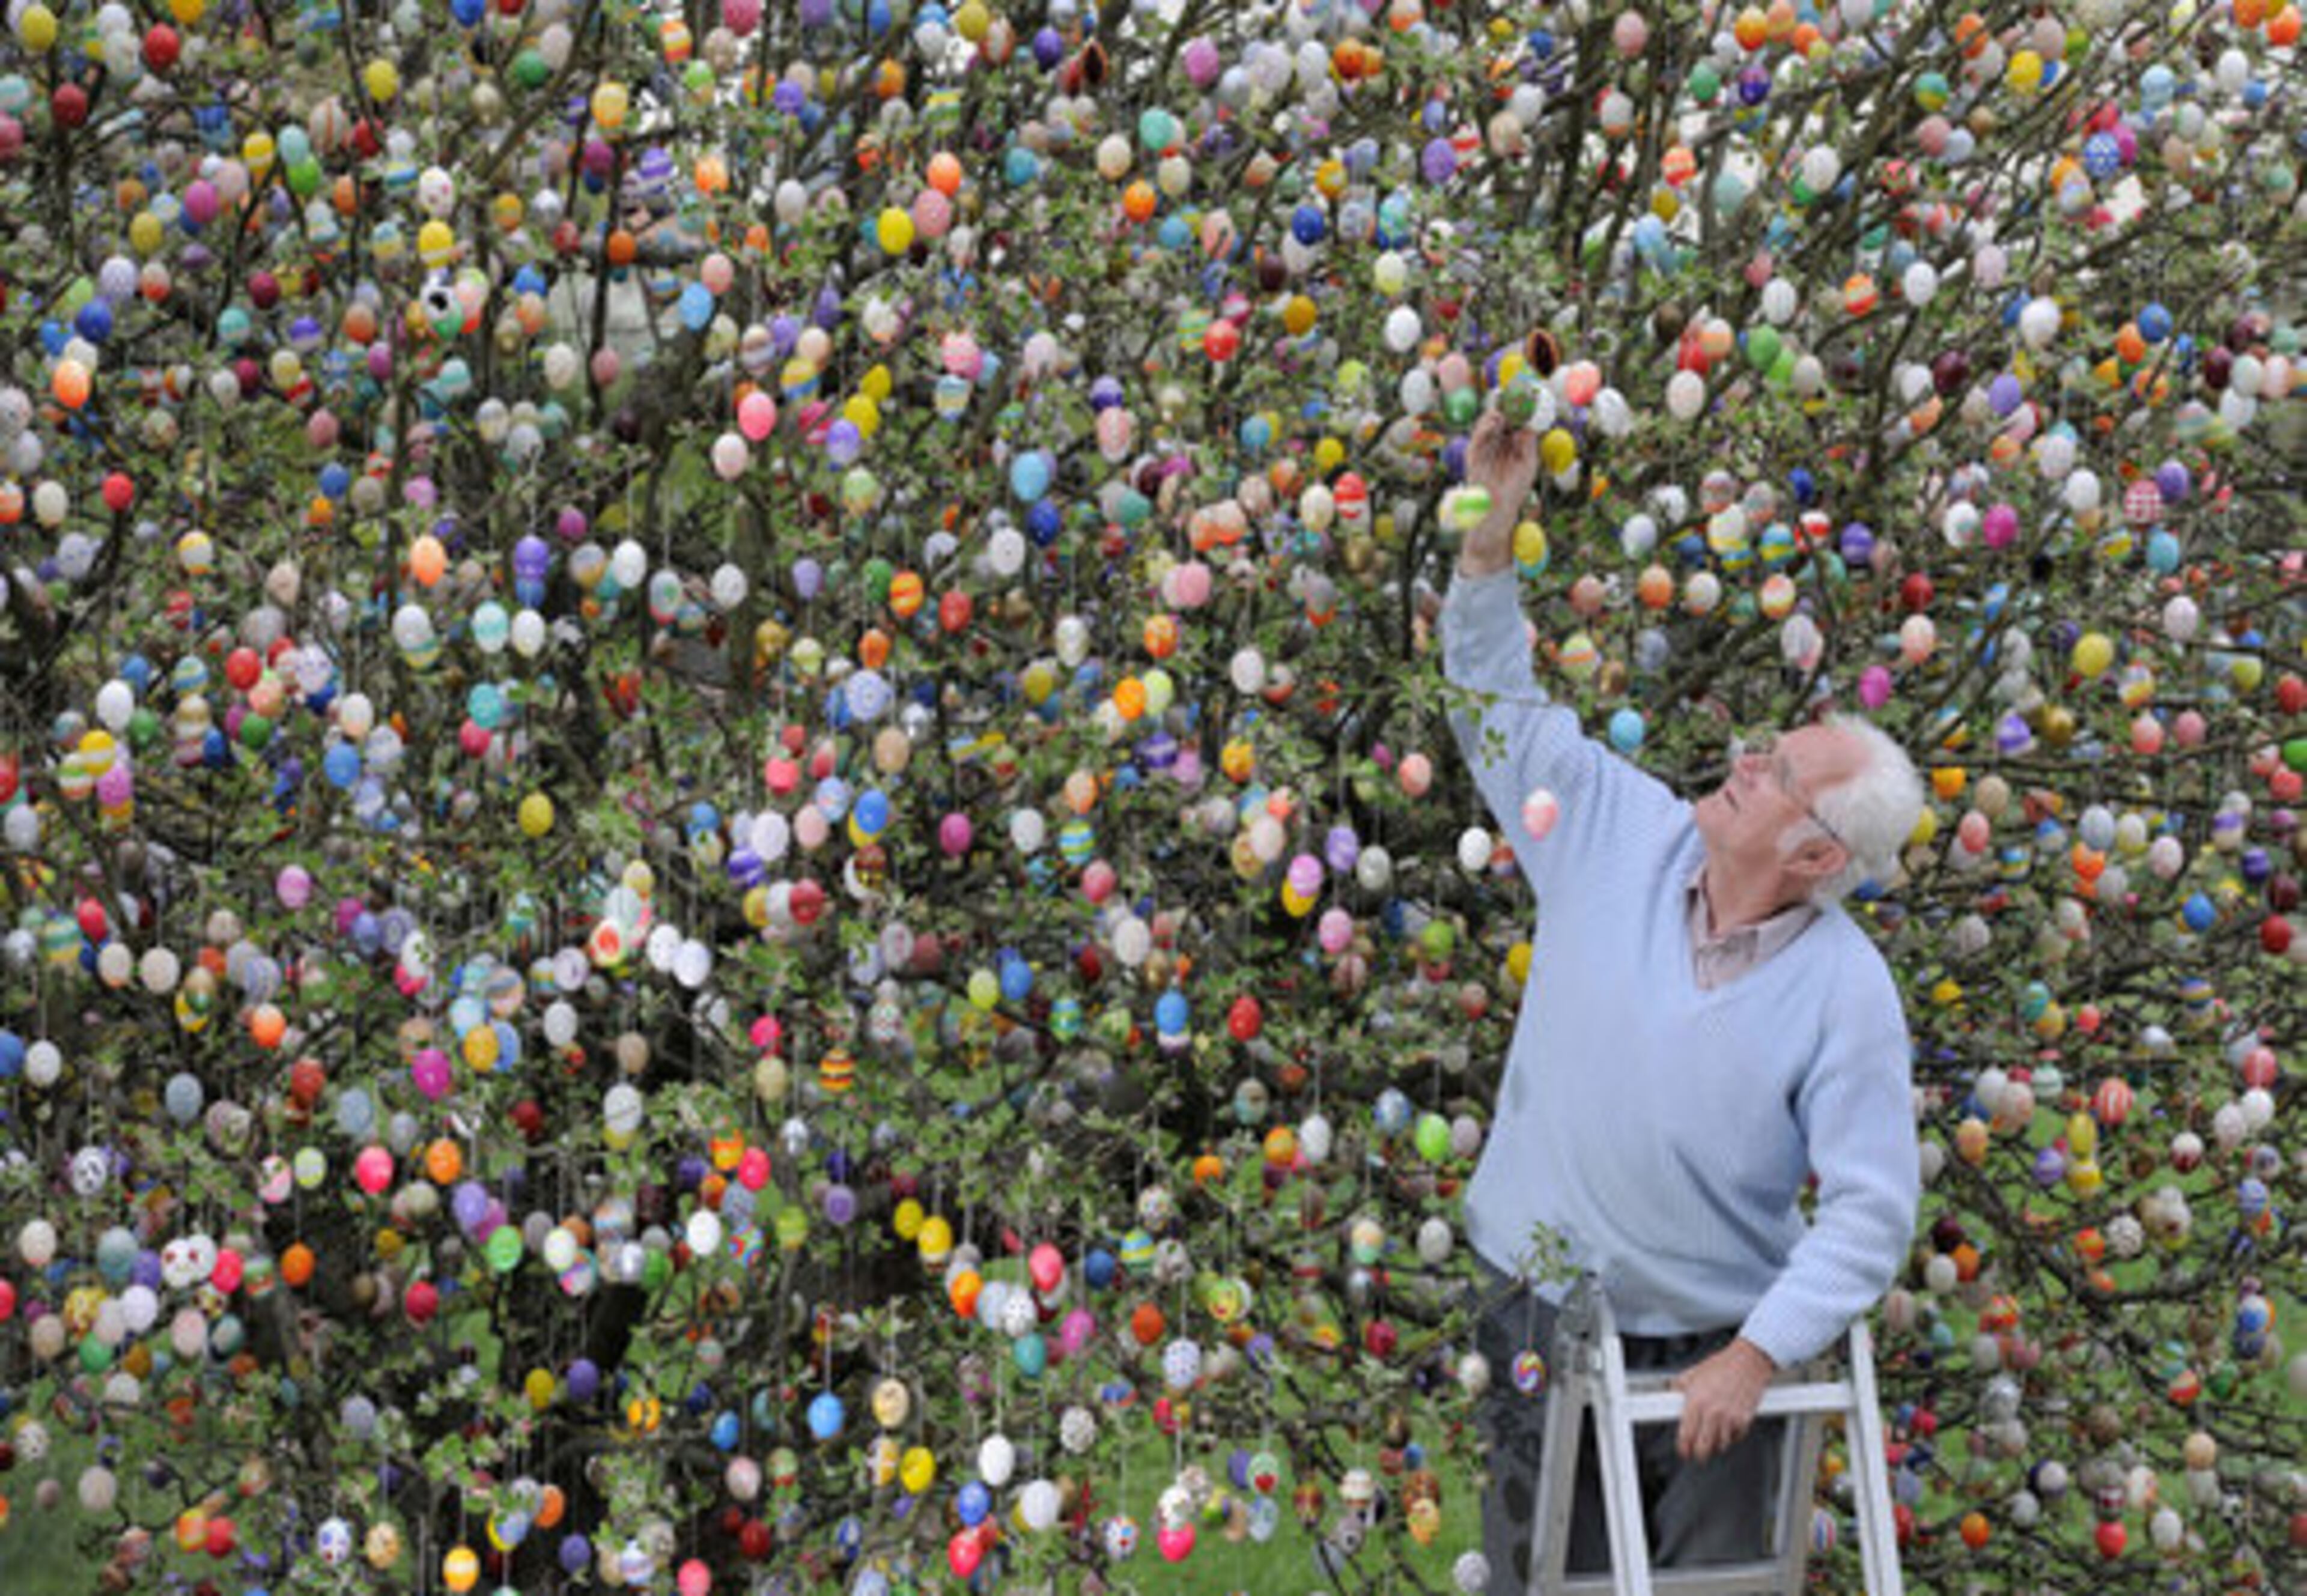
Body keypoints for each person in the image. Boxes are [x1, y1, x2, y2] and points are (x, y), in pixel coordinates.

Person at [1442, 411, 1925, 1593]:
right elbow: (1498, 718)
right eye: (1766, 746)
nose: (1746, 761)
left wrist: (1760, 1355)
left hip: (1720, 1354)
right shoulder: (1619, 830)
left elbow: (1871, 1208)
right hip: (1542, 1314)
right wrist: (1488, 542)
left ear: (1817, 859)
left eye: (1779, 775)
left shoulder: (1845, 990)